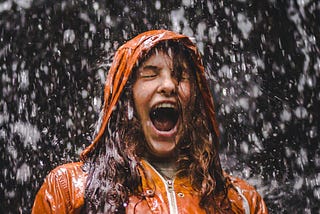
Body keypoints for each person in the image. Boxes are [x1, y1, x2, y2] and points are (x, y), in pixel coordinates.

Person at [32, 29, 268, 213]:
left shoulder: (241, 201)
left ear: (196, 102)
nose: (168, 85)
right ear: (126, 98)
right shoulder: (68, 190)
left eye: (180, 76)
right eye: (151, 73)